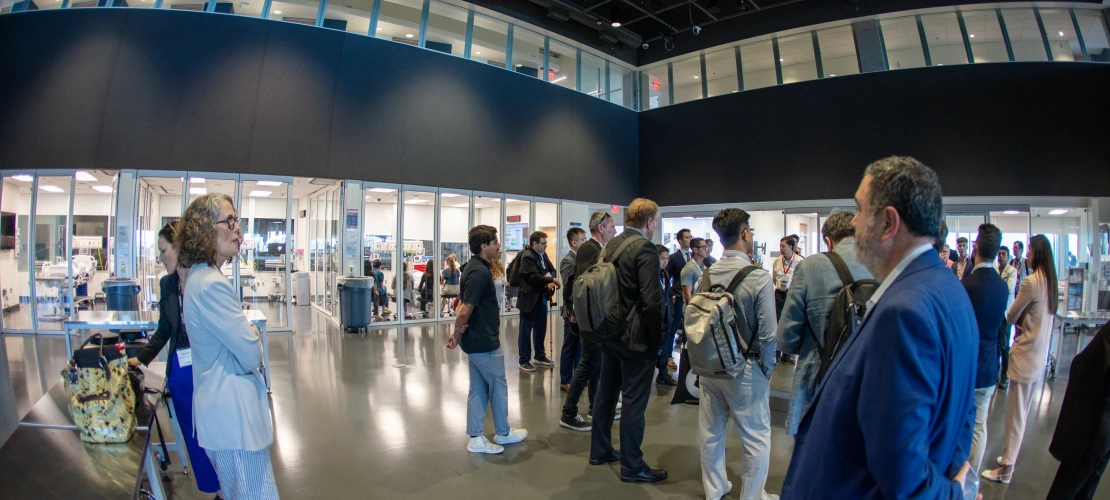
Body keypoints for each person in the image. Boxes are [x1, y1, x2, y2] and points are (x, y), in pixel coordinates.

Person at [781, 156, 978, 499]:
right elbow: (961, 413)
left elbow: (904, 476)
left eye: (859, 209)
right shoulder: (948, 290)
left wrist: (953, 493)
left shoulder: (904, 312)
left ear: (889, 222)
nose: (854, 221)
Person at [176, 194, 279, 499]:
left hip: (224, 414)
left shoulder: (201, 278)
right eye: (229, 221)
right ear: (205, 230)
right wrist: (251, 335)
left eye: (237, 221)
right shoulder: (211, 284)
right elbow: (251, 353)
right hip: (233, 418)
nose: (238, 230)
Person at [128, 222, 222, 497]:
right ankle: (213, 489)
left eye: (163, 250)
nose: (161, 257)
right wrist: (140, 360)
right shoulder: (167, 284)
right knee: (193, 439)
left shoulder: (205, 278)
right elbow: (165, 329)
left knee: (215, 434)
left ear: (179, 248)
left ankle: (227, 486)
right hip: (181, 374)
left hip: (208, 369)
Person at [697, 208, 778, 500]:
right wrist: (768, 369)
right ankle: (753, 496)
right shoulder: (759, 278)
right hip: (746, 369)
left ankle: (715, 490)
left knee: (711, 432)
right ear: (745, 234)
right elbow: (769, 333)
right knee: (756, 437)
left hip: (710, 368)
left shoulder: (706, 274)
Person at [590, 198, 667, 484]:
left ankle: (600, 450)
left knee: (606, 394)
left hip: (610, 334)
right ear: (649, 222)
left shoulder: (610, 244)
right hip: (635, 340)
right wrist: (656, 341)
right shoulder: (644, 248)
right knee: (634, 402)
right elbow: (651, 301)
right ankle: (632, 466)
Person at [775, 211, 871, 437]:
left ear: (828, 240)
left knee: (815, 447)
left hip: (818, 372)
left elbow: (786, 335)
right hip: (869, 374)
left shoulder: (810, 266)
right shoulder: (881, 264)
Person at [983, 234, 1058, 484]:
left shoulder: (1031, 282)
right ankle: (1008, 458)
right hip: (1037, 360)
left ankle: (1006, 468)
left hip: (1025, 356)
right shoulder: (1050, 282)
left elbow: (1011, 315)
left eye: (1030, 250)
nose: (1027, 254)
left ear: (1038, 253)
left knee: (1015, 416)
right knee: (1021, 415)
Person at [446, 225, 527, 454]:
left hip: (477, 340)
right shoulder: (479, 272)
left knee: (479, 388)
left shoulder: (474, 268)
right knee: (498, 387)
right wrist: (456, 332)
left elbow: (463, 303)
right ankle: (503, 433)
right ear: (484, 246)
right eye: (495, 242)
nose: (498, 246)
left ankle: (476, 438)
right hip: (484, 341)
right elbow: (463, 310)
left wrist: (457, 334)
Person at [961, 223, 1009, 484]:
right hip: (990, 367)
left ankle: (955, 479)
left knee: (959, 423)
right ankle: (971, 481)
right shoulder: (1003, 288)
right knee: (980, 426)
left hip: (967, 367)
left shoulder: (966, 285)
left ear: (976, 248)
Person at [561, 212, 618, 431]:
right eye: (611, 226)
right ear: (601, 228)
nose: (614, 230)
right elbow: (584, 283)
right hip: (591, 317)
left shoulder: (598, 249)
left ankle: (596, 406)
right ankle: (569, 413)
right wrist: (577, 311)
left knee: (596, 363)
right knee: (588, 363)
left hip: (596, 315)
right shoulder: (590, 249)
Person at [1046, 322, 1110, 499]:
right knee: (1088, 482)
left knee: (1069, 483)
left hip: (1096, 419)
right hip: (1103, 424)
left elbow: (1084, 365)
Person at [660, 237, 710, 386]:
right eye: (703, 247)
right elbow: (687, 293)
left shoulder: (704, 267)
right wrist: (695, 312)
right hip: (693, 312)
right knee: (683, 341)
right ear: (695, 249)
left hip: (703, 310)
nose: (706, 249)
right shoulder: (689, 269)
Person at [517, 231, 560, 372]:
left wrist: (550, 280)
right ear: (534, 243)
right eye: (543, 243)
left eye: (546, 243)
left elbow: (552, 269)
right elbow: (532, 276)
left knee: (541, 327)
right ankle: (523, 360)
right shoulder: (527, 256)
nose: (546, 246)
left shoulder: (542, 254)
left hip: (541, 296)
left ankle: (539, 356)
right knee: (525, 329)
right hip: (528, 298)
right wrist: (550, 280)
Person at [559, 227, 587, 392]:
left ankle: (578, 377)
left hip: (580, 311)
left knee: (579, 347)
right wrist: (573, 312)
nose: (585, 242)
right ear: (574, 243)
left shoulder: (582, 259)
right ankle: (565, 380)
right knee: (570, 345)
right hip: (571, 311)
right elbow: (569, 288)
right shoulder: (568, 261)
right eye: (583, 239)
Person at [663, 229, 693, 369]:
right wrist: (672, 296)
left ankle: (689, 357)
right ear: (680, 241)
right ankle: (668, 356)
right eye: (687, 237)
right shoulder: (674, 257)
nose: (690, 239)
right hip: (678, 296)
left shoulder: (694, 256)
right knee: (673, 328)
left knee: (690, 328)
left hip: (691, 298)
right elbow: (667, 278)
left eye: (691, 237)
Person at [772, 235, 803, 365]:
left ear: (791, 247)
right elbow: (774, 278)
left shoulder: (800, 262)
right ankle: (776, 355)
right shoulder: (777, 261)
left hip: (793, 295)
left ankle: (788, 354)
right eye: (780, 246)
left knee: (790, 324)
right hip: (779, 295)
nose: (781, 249)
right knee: (777, 324)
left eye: (783, 246)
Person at [997, 245, 1018, 390]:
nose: (1001, 256)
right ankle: (996, 372)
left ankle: (1005, 374)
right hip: (995, 311)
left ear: (1008, 256)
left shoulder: (1012, 271)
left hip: (1006, 313)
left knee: (1004, 344)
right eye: (999, 254)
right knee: (996, 344)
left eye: (1003, 254)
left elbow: (1008, 289)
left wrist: (995, 285)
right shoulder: (994, 270)